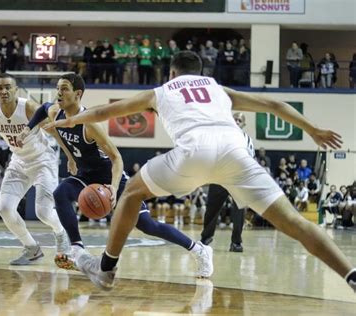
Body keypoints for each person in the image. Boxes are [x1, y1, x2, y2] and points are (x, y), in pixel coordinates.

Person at [46, 51, 356, 293]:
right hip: (237, 154)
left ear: (171, 73)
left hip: (193, 154)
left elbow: (105, 112)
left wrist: (69, 121)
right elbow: (273, 104)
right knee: (295, 223)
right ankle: (350, 273)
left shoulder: (162, 90)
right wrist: (313, 130)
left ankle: (107, 269)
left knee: (132, 193)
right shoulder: (217, 88)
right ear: (201, 74)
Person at [19, 73, 211, 274]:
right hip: (85, 175)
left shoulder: (89, 124)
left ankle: (199, 250)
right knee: (60, 193)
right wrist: (34, 134)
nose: (59, 92)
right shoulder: (55, 112)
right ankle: (76, 249)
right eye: (58, 87)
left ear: (78, 94)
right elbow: (42, 109)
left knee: (147, 225)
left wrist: (113, 185)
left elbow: (117, 158)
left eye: (64, 88)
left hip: (110, 178)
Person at [0, 73, 70, 265]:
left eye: (8, 87)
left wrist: (70, 157)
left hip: (43, 161)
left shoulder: (28, 107)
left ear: (16, 90)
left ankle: (62, 234)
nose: (4, 91)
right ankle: (32, 249)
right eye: (0, 88)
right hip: (19, 162)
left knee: (44, 212)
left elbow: (55, 132)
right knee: (5, 209)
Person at [200, 112, 254, 252]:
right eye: (235, 119)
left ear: (243, 124)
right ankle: (205, 238)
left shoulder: (247, 139)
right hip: (220, 176)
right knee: (212, 209)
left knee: (239, 211)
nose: (237, 121)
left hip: (238, 178)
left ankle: (236, 242)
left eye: (240, 120)